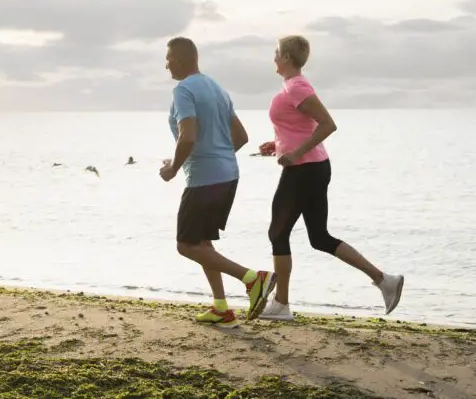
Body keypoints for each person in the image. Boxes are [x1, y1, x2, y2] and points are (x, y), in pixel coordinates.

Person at [260, 35, 404, 321]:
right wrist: (277, 146)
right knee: (319, 237)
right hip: (310, 167)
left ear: (287, 57)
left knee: (278, 232)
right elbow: (301, 127)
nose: (273, 56)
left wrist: (295, 153)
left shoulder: (297, 86)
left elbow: (328, 124)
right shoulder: (291, 87)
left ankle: (281, 305)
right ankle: (385, 281)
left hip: (304, 170)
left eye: (277, 52)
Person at [161, 36, 276, 328]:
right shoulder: (217, 89)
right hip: (228, 175)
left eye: (169, 58)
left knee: (185, 245)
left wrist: (174, 167)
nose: (166, 64)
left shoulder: (183, 90)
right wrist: (216, 157)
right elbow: (240, 138)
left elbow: (187, 136)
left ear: (184, 59)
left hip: (204, 179)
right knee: (203, 242)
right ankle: (221, 307)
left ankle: (253, 279)